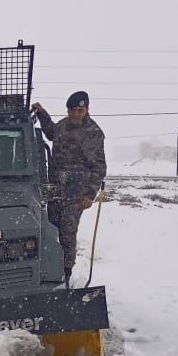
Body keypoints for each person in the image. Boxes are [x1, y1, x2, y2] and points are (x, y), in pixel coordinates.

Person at [32, 91, 107, 287]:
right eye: (72, 110)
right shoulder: (63, 126)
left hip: (77, 194)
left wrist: (90, 195)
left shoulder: (94, 133)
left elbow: (99, 167)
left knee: (67, 233)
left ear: (87, 109)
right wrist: (41, 113)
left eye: (80, 110)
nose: (75, 114)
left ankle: (66, 272)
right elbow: (50, 132)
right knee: (52, 229)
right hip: (56, 189)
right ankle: (51, 269)